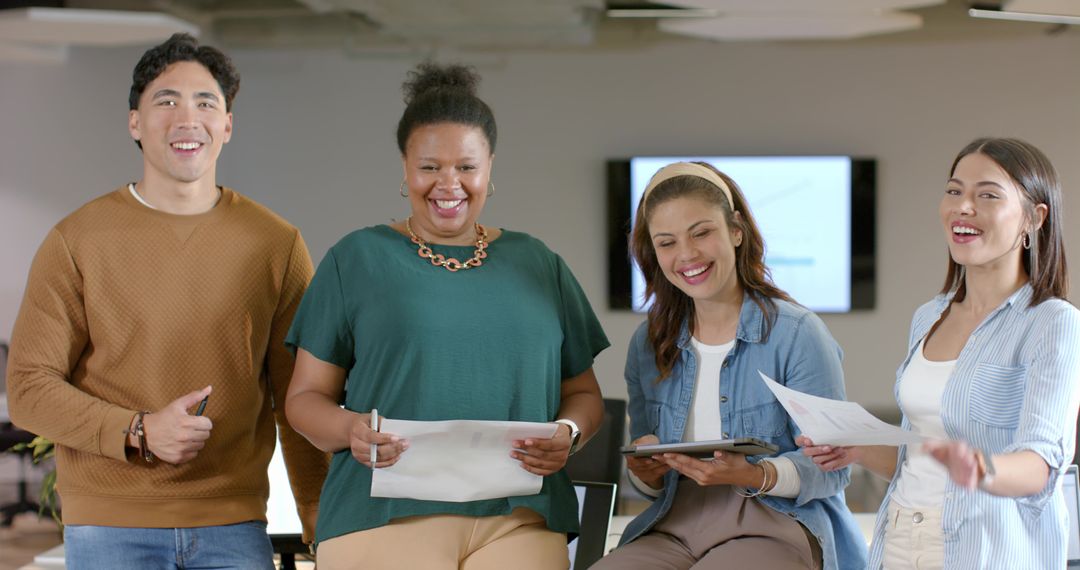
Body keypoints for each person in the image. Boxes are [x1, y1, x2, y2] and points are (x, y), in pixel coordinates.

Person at [6, 33, 329, 569]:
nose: (188, 117)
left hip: (233, 528)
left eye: (206, 103)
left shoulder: (277, 244)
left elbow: (299, 396)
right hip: (109, 530)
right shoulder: (76, 240)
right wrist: (138, 430)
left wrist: (319, 515)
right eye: (166, 101)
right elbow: (27, 389)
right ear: (134, 121)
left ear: (227, 126)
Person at [283, 62, 609, 570]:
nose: (448, 184)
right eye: (429, 166)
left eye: (466, 166)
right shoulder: (357, 258)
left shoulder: (539, 263)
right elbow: (304, 400)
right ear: (405, 169)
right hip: (383, 512)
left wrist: (566, 434)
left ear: (490, 168)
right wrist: (350, 430)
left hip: (519, 515)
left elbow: (584, 395)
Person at [801, 137, 1080, 569]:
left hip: (985, 550)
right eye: (954, 191)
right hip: (900, 536)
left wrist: (981, 468)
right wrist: (856, 445)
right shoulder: (928, 315)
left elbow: (1042, 466)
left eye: (987, 194)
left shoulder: (1052, 322)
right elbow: (922, 455)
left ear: (1034, 217)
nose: (963, 206)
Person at [594, 162, 866, 570]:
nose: (686, 255)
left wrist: (754, 475)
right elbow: (651, 481)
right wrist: (645, 472)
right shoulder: (648, 343)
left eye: (701, 232)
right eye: (667, 242)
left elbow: (832, 472)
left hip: (772, 520)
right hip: (676, 521)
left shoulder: (798, 333)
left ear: (735, 230)